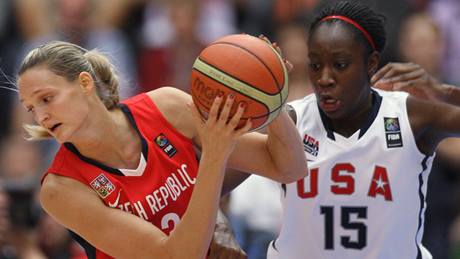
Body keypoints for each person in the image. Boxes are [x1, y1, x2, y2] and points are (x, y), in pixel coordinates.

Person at [16, 41, 307, 259]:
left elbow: (289, 167)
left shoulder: (165, 107)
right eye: (31, 108)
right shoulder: (60, 188)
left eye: (46, 99)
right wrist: (215, 159)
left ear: (84, 83)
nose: (40, 117)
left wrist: (268, 97)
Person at [266, 1, 460, 258]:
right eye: (315, 65)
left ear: (371, 64)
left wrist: (443, 92)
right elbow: (216, 165)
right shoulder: (292, 119)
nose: (325, 78)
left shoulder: (411, 116)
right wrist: (221, 225)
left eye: (341, 65)